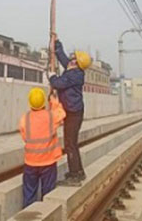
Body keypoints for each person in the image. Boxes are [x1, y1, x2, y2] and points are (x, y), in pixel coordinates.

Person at [48, 35, 91, 186]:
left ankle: (74, 175)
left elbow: (58, 84)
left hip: (73, 113)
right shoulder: (74, 70)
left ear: (77, 64)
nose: (71, 59)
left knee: (70, 144)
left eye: (74, 59)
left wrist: (52, 77)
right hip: (74, 111)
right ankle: (78, 171)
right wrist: (57, 42)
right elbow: (62, 57)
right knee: (72, 143)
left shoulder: (74, 75)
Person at [19, 87, 66, 207]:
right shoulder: (51, 117)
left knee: (29, 194)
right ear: (44, 101)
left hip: (30, 162)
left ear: (30, 103)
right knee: (48, 194)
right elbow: (62, 114)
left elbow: (25, 137)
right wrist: (54, 102)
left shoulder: (25, 118)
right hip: (48, 162)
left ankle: (28, 214)